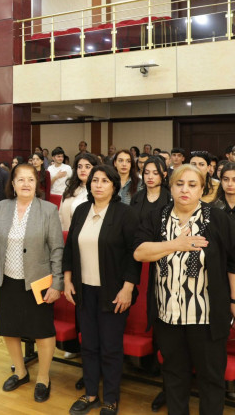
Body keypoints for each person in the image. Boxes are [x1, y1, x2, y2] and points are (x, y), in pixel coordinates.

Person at [133, 165, 235, 415]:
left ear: (202, 189)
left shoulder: (217, 219)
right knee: (174, 377)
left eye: (192, 185)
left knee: (210, 379)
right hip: (168, 315)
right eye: (179, 184)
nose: (185, 189)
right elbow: (140, 252)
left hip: (205, 316)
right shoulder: (156, 218)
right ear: (171, 187)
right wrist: (176, 244)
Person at [0, 164, 64, 404]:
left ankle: (44, 378)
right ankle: (21, 371)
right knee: (9, 327)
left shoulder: (48, 209)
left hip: (38, 282)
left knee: (43, 331)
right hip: (7, 279)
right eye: (21, 180)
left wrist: (57, 283)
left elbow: (57, 249)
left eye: (31, 179)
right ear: (13, 184)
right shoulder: (1, 208)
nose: (26, 184)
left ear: (37, 184)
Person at [63, 165, 140, 415]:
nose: (98, 185)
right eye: (95, 180)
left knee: (110, 347)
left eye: (105, 181)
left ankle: (110, 398)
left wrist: (128, 287)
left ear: (114, 186)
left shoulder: (124, 214)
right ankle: (90, 394)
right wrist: (67, 280)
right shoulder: (81, 210)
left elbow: (134, 254)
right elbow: (69, 249)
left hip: (113, 292)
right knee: (89, 345)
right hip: (84, 290)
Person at [59, 153, 98, 231]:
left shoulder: (100, 190)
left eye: (87, 167)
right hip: (69, 234)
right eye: (79, 167)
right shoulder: (70, 190)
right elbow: (60, 216)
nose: (82, 170)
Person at [131, 156, 172, 220]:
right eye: (146, 173)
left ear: (164, 175)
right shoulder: (136, 197)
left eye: (155, 173)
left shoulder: (170, 198)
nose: (150, 177)